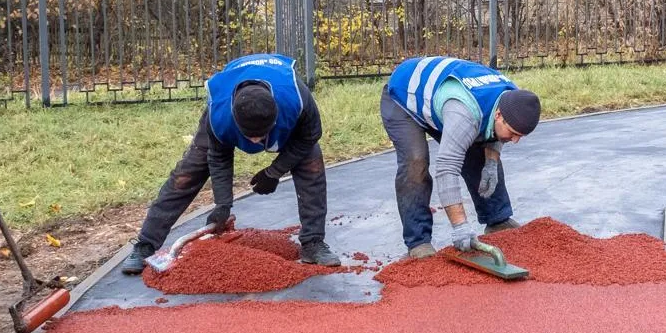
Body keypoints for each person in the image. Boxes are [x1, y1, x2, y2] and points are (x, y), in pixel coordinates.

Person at [121, 53, 339, 273]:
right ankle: (145, 245)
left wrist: (275, 171)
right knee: (186, 175)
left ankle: (313, 243)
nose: (256, 141)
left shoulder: (297, 98)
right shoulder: (220, 113)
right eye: (250, 136)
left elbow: (309, 136)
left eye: (261, 136)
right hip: (228, 108)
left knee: (311, 164)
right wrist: (222, 204)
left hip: (285, 106)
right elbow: (218, 157)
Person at [380, 56, 540, 258]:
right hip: (404, 97)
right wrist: (460, 226)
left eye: (521, 136)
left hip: (444, 99)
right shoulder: (465, 113)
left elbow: (495, 131)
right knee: (415, 162)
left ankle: (497, 219)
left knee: (482, 151)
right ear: (499, 114)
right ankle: (418, 241)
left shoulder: (512, 98)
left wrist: (491, 162)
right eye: (513, 133)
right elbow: (447, 168)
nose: (515, 140)